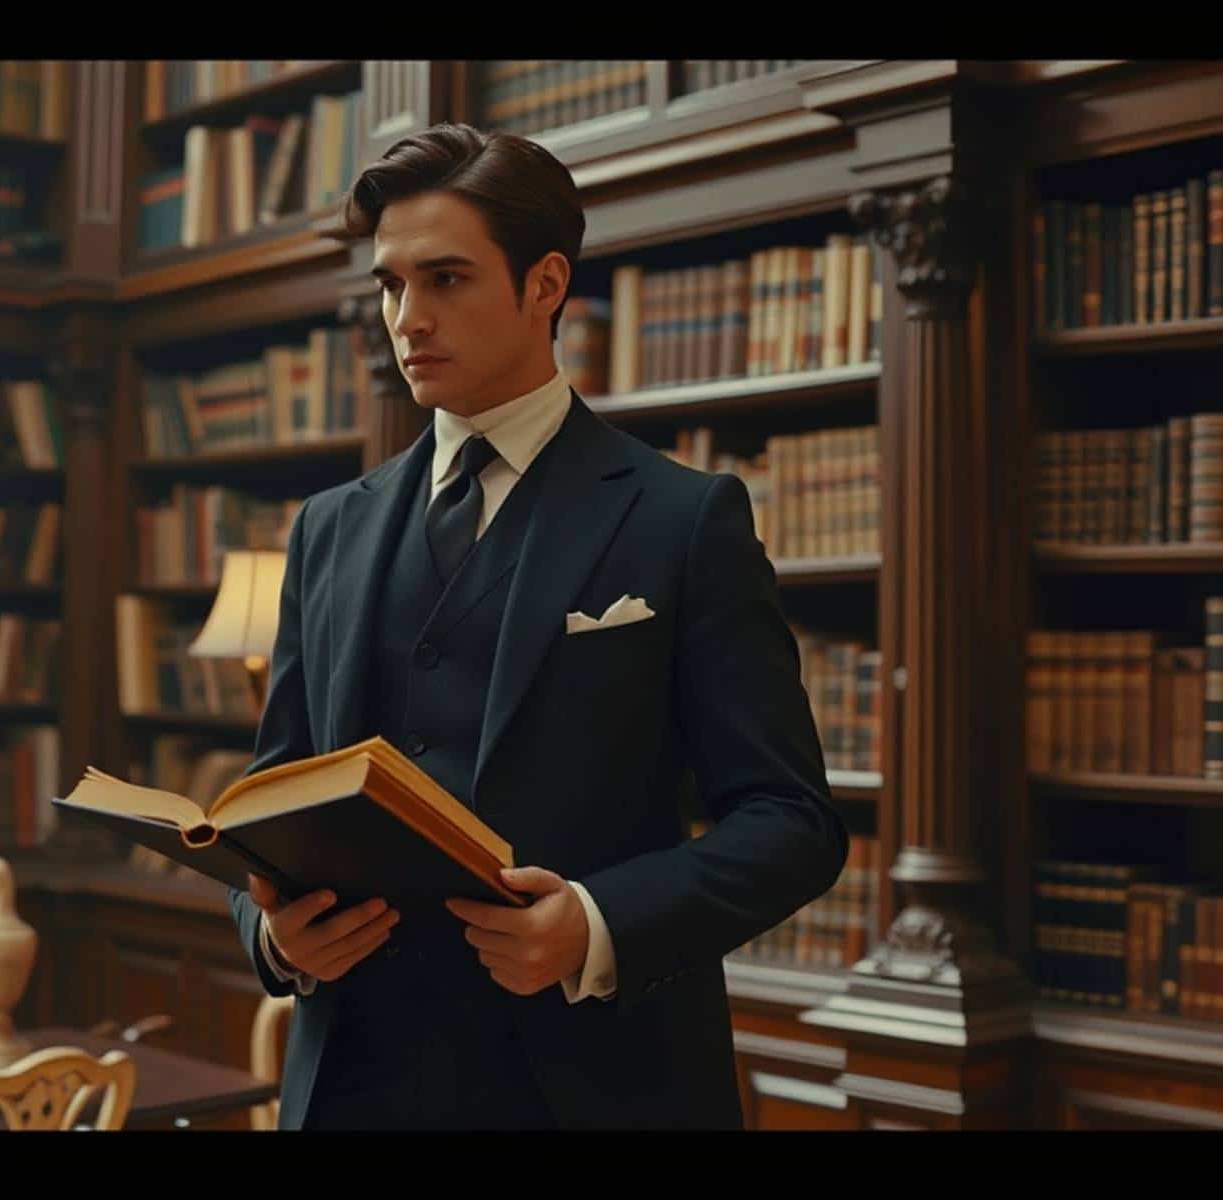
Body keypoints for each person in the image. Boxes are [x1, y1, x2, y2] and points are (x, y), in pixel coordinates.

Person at [224, 122, 846, 1130]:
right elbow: (276, 798)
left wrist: (597, 926)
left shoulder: (685, 519)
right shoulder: (326, 530)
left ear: (546, 283)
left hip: (595, 1087)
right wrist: (274, 934)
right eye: (389, 286)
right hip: (352, 1088)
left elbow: (794, 823)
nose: (408, 318)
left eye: (447, 280)